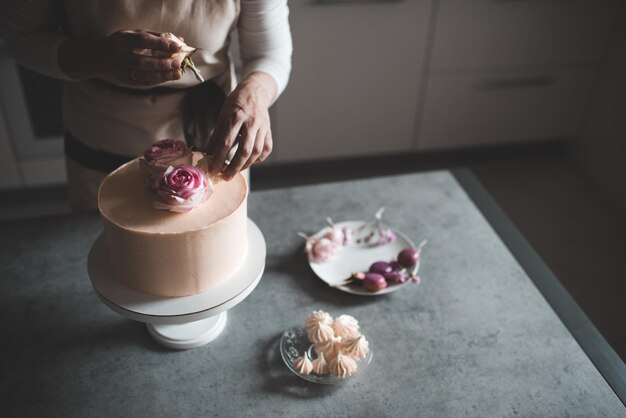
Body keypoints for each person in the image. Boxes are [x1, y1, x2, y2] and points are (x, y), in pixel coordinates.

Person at [0, 0, 292, 210]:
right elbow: (20, 38)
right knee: (117, 254)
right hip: (103, 127)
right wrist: (97, 57)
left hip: (212, 125)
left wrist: (254, 93)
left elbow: (270, 51)